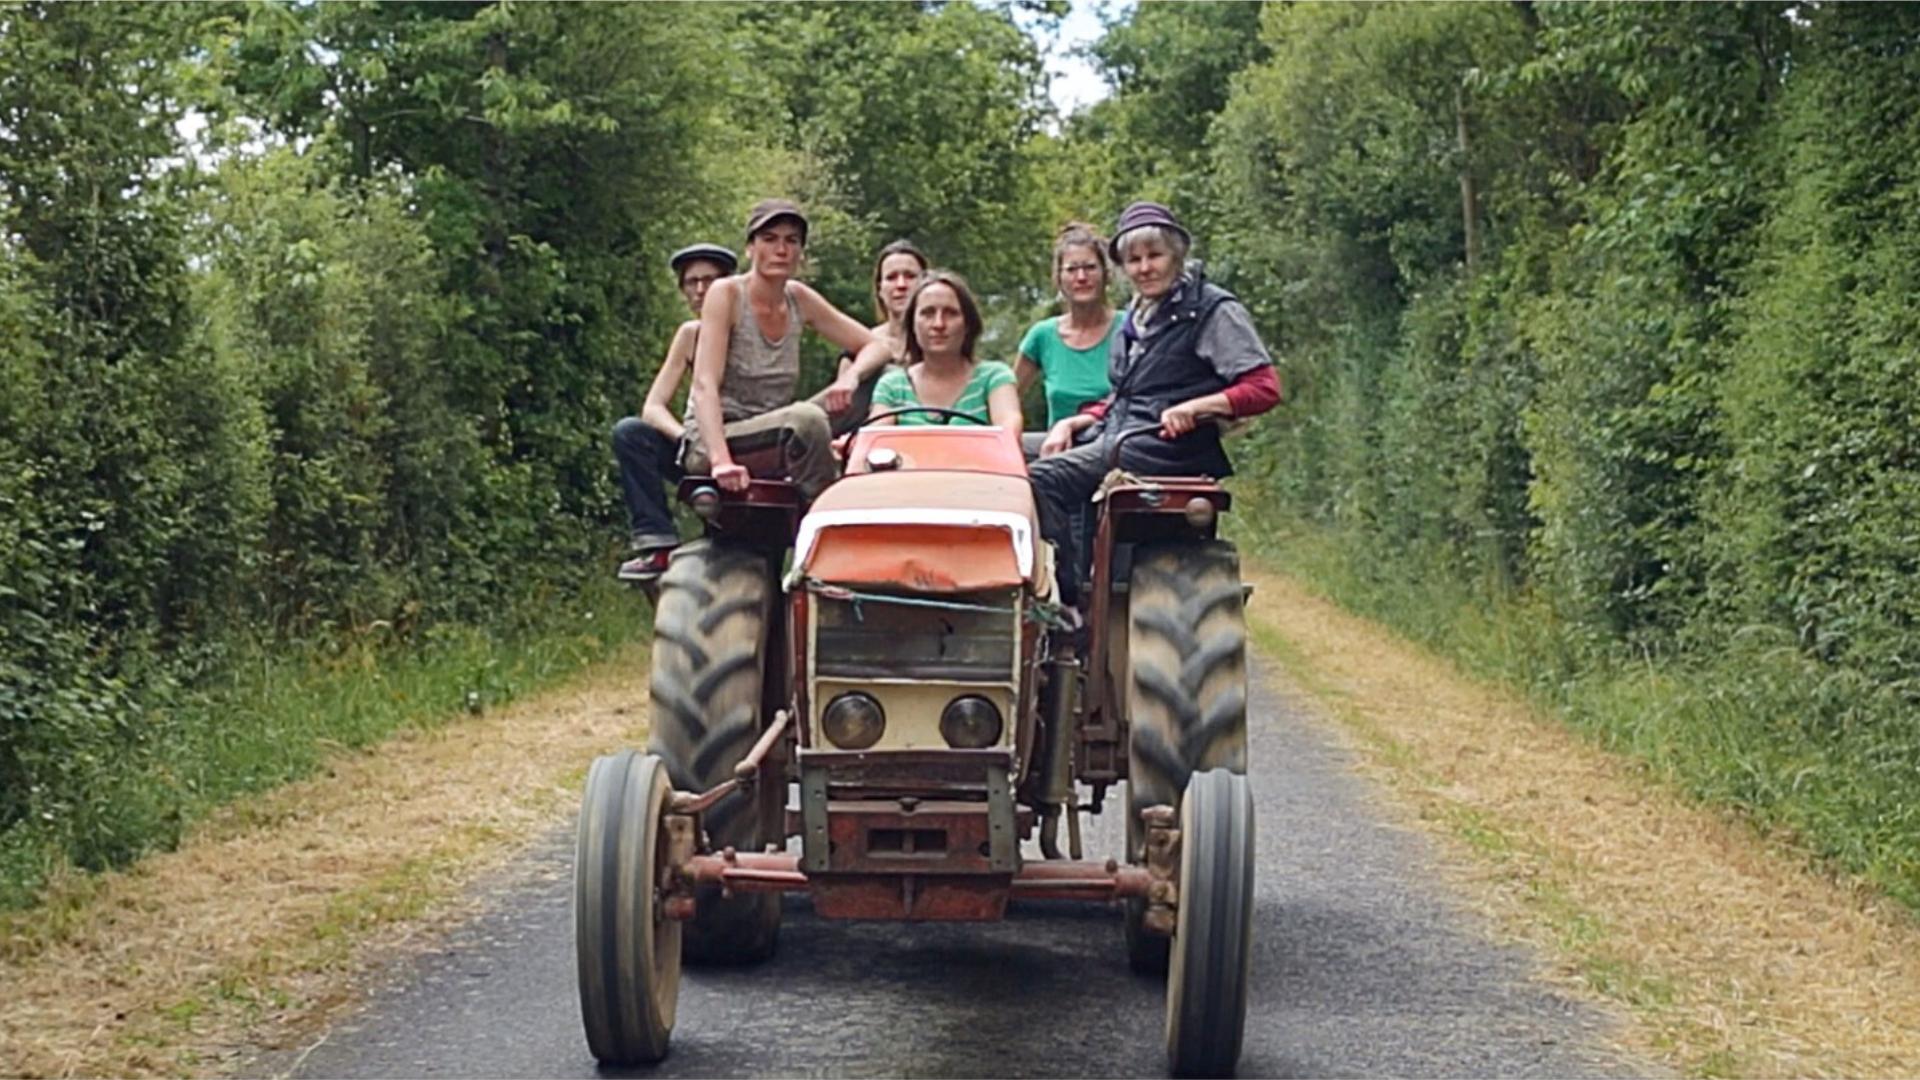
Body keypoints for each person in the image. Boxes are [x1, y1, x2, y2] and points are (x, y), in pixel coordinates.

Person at [1029, 201, 1283, 608]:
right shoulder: (1137, 319)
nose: (1144, 268)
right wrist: (1073, 423)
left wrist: (1200, 407)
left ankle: (1071, 598)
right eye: (1133, 259)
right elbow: (1126, 396)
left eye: (1154, 256)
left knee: (1042, 478)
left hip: (1160, 446)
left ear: (1177, 256)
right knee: (1011, 453)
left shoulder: (1212, 311)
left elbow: (1264, 387)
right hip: (1119, 432)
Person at [685, 198, 891, 496]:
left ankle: (872, 473)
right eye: (769, 240)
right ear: (750, 248)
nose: (781, 250)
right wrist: (720, 461)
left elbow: (877, 346)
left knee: (883, 375)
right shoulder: (726, 294)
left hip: (779, 426)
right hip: (718, 438)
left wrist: (851, 376)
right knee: (806, 420)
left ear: (801, 253)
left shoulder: (798, 297)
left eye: (791, 241)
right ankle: (825, 509)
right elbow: (704, 385)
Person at [611, 242, 737, 581]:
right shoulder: (689, 335)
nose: (700, 290)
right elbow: (653, 407)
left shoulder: (749, 329)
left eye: (709, 281)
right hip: (696, 450)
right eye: (691, 282)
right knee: (630, 433)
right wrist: (687, 439)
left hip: (744, 445)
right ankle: (658, 543)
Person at [869, 270, 1021, 430]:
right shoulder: (892, 386)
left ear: (968, 324)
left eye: (951, 314)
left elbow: (1008, 429)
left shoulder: (994, 377)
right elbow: (874, 439)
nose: (938, 324)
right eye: (928, 313)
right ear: (912, 324)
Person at [1016, 223, 1120, 441]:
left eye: (1090, 268)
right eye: (1072, 270)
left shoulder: (1130, 328)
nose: (1081, 277)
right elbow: (1007, 400)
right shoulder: (1042, 336)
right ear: (1059, 279)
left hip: (1115, 446)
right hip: (1057, 452)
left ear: (1105, 274)